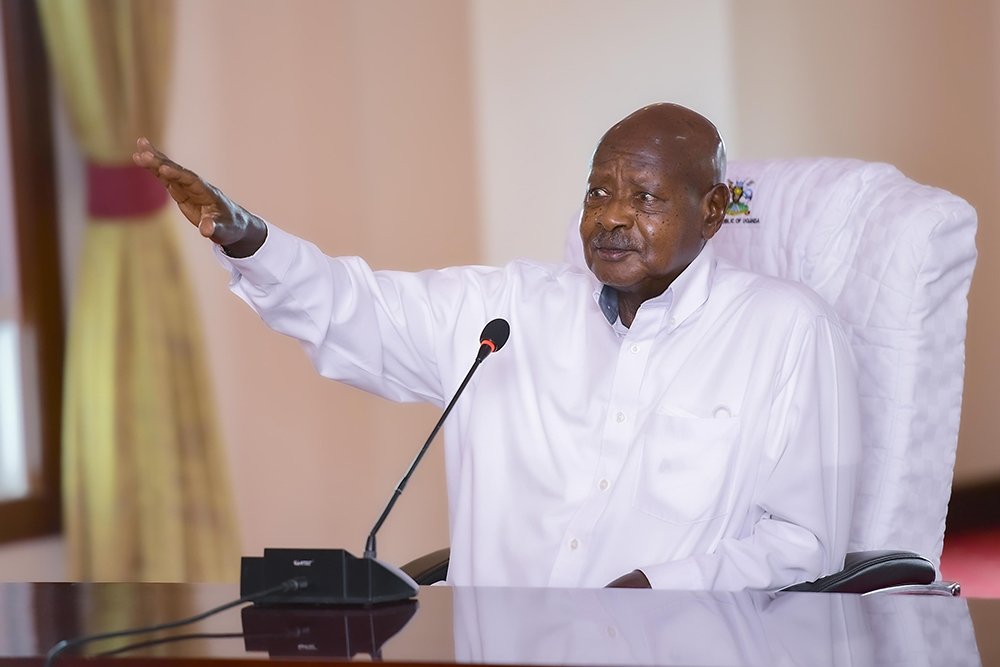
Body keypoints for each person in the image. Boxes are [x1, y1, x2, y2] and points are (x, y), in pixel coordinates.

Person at [134, 103, 861, 590]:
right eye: (596, 193)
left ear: (710, 211)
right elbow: (353, 308)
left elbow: (806, 544)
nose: (609, 218)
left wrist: (659, 590)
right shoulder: (504, 312)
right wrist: (245, 236)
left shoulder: (788, 331)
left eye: (644, 198)